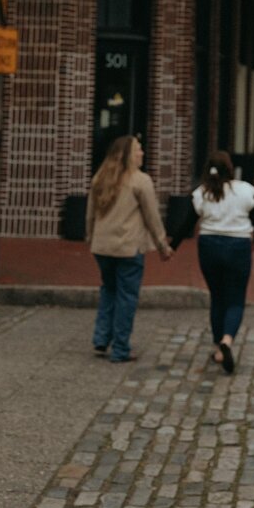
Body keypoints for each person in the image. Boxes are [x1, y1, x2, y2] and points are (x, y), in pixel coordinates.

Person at [171, 151, 254, 375]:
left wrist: (171, 247)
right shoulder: (245, 191)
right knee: (236, 298)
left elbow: (187, 224)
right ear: (230, 169)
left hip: (209, 247)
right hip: (238, 247)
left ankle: (217, 346)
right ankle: (227, 340)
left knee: (217, 296)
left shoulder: (201, 193)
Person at [86, 134, 172, 363]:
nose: (142, 153)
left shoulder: (100, 178)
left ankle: (101, 338)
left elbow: (90, 213)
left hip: (102, 247)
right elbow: (152, 216)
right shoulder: (140, 181)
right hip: (128, 247)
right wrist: (162, 244)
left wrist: (90, 237)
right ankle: (121, 348)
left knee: (109, 290)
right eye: (138, 149)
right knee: (127, 296)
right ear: (127, 155)